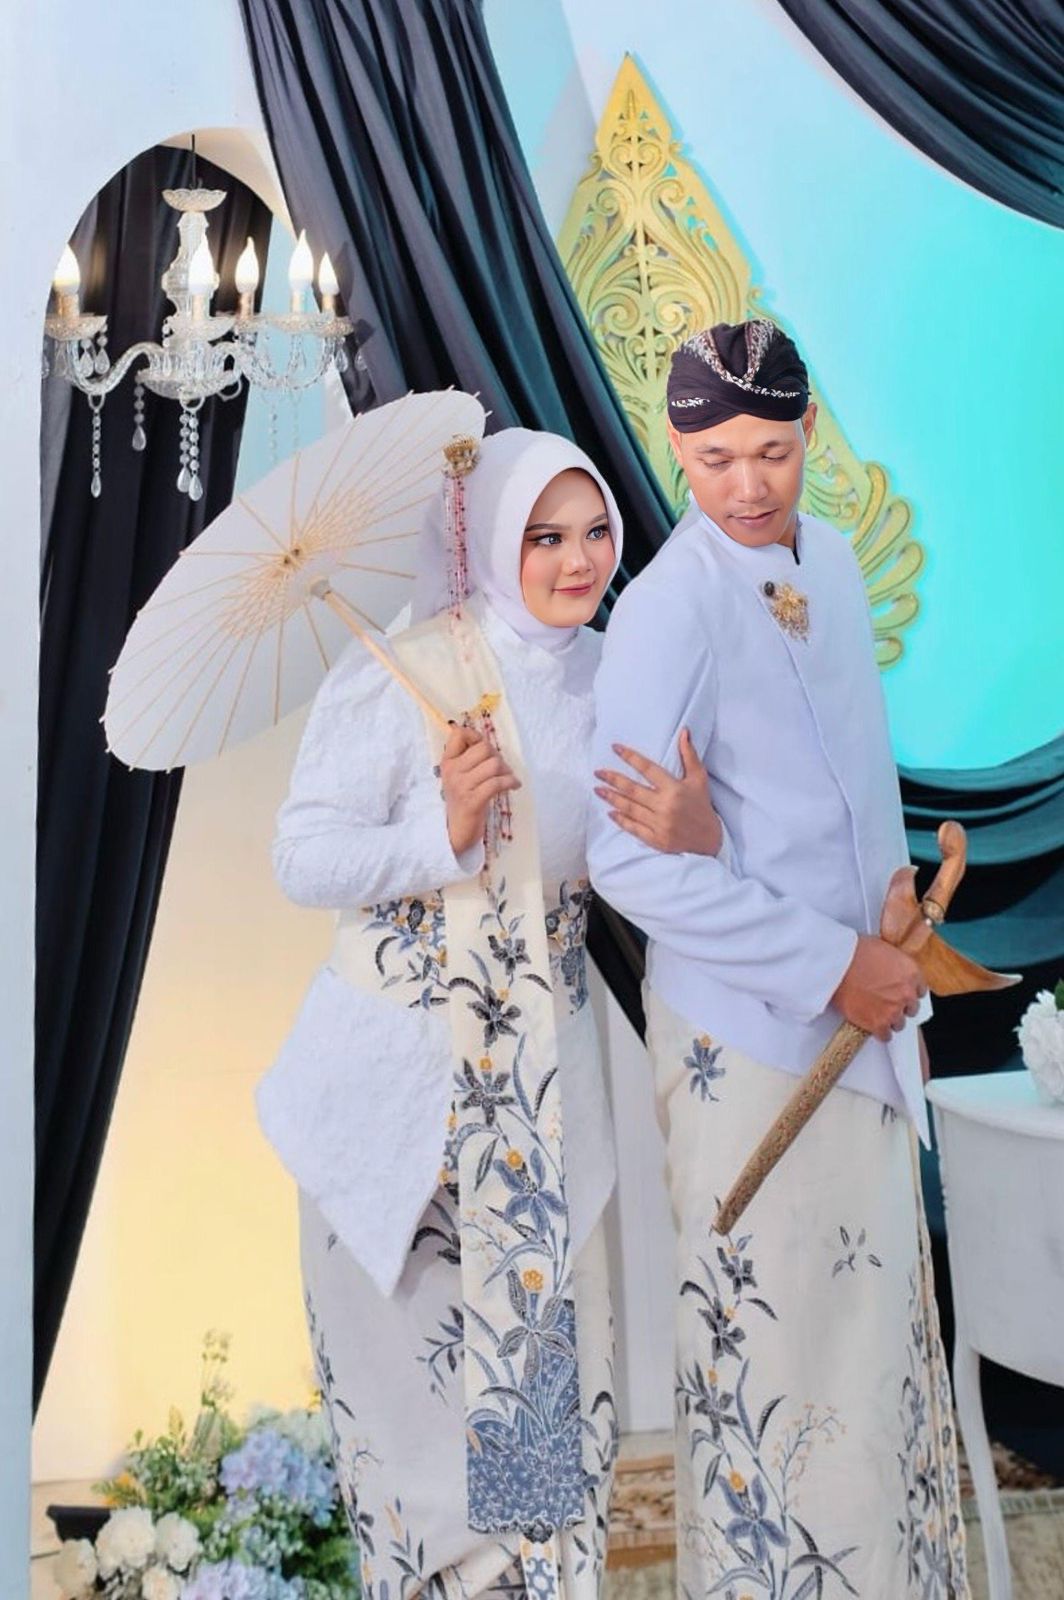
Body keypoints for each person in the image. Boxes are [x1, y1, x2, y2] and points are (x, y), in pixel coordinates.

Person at [257, 428, 720, 1600]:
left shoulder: (616, 675)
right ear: (493, 540)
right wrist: (442, 831)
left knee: (537, 1441)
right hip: (393, 1110)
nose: (579, 560)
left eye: (595, 531)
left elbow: (629, 868)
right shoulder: (404, 668)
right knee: (419, 1458)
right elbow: (300, 854)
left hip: (536, 1108)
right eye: (545, 537)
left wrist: (693, 832)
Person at [589, 320, 969, 1598]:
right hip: (750, 1046)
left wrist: (888, 899)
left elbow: (846, 782)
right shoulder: (667, 606)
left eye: (771, 452)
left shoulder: (838, 564)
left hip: (868, 1023)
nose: (746, 485)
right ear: (674, 449)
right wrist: (828, 962)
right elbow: (624, 861)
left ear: (810, 433)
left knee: (868, 1373)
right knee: (779, 1376)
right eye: (713, 460)